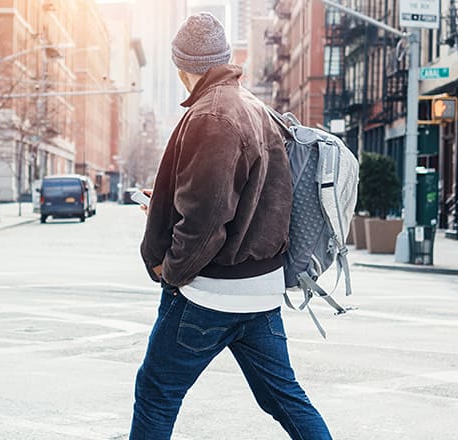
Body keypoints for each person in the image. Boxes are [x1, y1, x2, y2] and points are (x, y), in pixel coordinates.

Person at [131, 12, 331, 440]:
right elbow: (252, 201)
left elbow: (207, 217)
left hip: (211, 292)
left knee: (156, 391)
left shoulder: (212, 116)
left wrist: (171, 269)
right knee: (283, 397)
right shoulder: (255, 107)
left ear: (183, 66)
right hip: (259, 291)